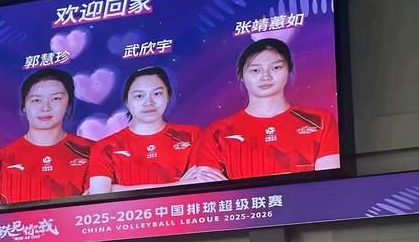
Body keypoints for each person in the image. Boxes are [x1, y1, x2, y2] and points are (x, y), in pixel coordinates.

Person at [192, 38, 340, 181]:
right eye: (255, 70)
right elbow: (212, 191)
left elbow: (327, 184)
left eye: (276, 68)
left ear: (289, 69)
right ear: (241, 75)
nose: (265, 77)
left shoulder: (320, 120)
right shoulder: (216, 132)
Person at [0, 68, 93, 205]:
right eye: (36, 100)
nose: (45, 108)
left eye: (56, 98)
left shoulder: (93, 152)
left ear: (68, 103)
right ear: (24, 107)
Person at [88, 66, 212, 194]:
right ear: (126, 101)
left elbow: (203, 185)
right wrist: (180, 185)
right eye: (139, 96)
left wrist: (118, 190)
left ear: (168, 96)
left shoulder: (193, 135)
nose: (149, 102)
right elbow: (100, 197)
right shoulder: (105, 148)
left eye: (157, 93)